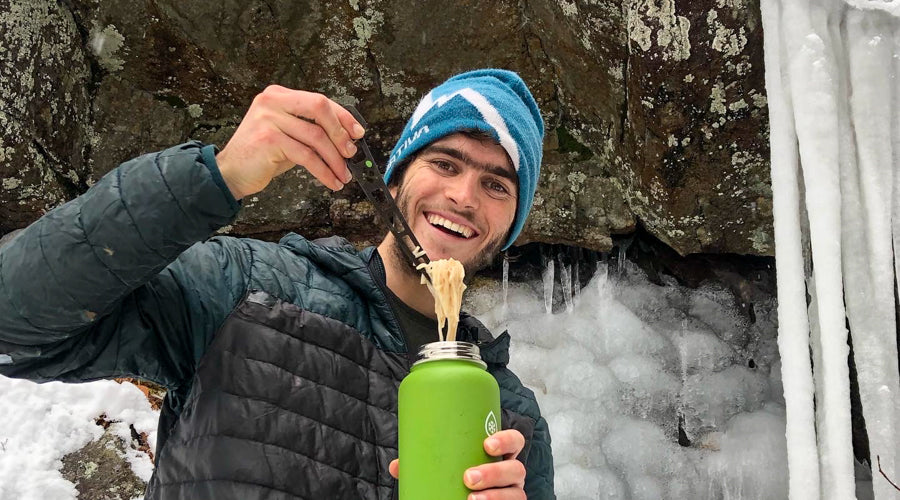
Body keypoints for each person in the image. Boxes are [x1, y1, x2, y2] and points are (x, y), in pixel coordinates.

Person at [0, 69, 554, 499]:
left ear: (509, 228)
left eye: (496, 185)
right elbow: (14, 322)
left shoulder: (514, 415)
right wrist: (218, 177)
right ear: (395, 178)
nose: (464, 197)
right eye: (446, 164)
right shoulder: (247, 288)